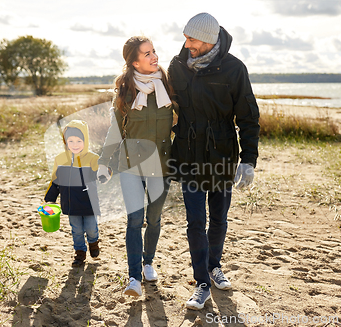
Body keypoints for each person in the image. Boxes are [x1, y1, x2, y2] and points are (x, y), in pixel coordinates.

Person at [167, 13, 260, 310]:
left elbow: (248, 117)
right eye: (185, 38)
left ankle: (214, 265)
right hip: (189, 155)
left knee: (219, 219)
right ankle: (202, 283)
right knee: (195, 221)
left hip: (222, 155)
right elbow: (162, 108)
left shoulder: (234, 69)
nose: (187, 44)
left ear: (208, 40)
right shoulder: (177, 67)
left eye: (192, 40)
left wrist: (248, 160)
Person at [97, 36, 174, 297]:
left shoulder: (168, 85)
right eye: (147, 54)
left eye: (154, 51)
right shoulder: (125, 92)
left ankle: (148, 261)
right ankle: (133, 278)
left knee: (153, 219)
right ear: (134, 62)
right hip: (130, 164)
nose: (154, 57)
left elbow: (181, 123)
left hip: (162, 164)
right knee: (134, 220)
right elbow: (115, 131)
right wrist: (104, 163)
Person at [45, 120, 101, 267]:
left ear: (85, 141)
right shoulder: (61, 159)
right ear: (65, 142)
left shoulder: (92, 158)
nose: (75, 144)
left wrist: (106, 171)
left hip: (88, 203)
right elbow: (55, 181)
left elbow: (103, 173)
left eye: (79, 141)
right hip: (71, 203)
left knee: (90, 228)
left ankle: (93, 243)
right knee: (76, 230)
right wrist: (50, 199)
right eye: (70, 141)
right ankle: (80, 253)